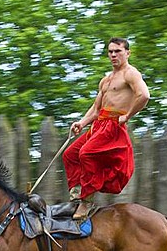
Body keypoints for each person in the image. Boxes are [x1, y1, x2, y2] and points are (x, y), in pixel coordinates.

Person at [63, 37, 150, 220]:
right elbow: (96, 109)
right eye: (110, 51)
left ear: (127, 53)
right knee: (70, 154)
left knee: (86, 154)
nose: (113, 55)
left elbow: (144, 95)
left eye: (117, 51)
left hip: (113, 127)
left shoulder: (130, 74)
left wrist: (127, 116)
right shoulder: (106, 80)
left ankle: (86, 202)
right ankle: (76, 198)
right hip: (98, 125)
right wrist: (82, 122)